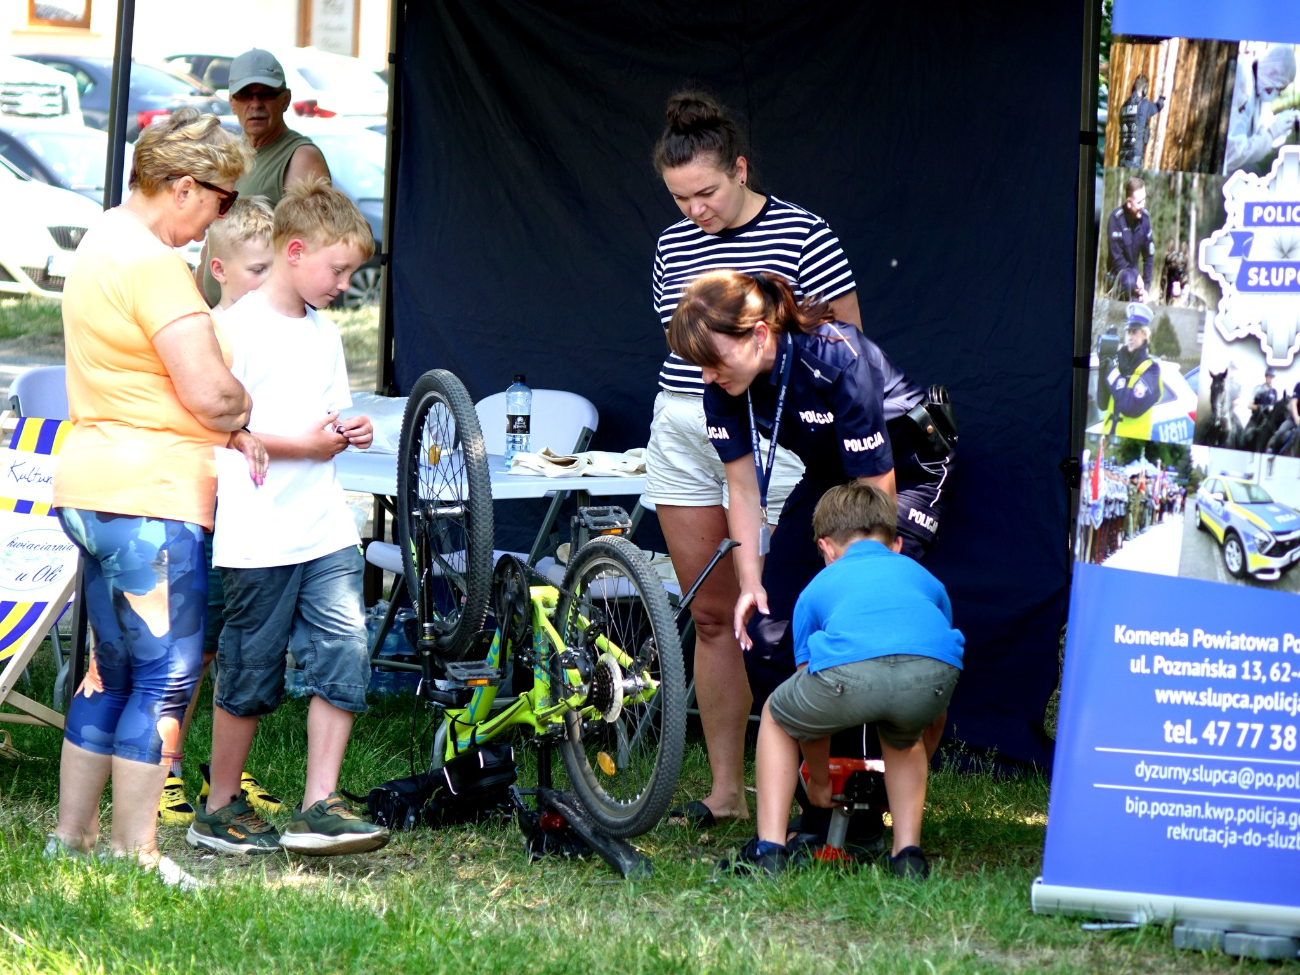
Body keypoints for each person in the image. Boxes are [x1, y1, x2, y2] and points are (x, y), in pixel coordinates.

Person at [48, 109, 265, 887]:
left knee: (108, 670)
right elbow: (209, 392)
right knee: (165, 677)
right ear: (183, 187)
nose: (223, 216)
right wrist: (241, 409)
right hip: (154, 497)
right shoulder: (153, 265)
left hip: (96, 483)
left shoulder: (102, 239)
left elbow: (144, 380)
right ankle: (136, 854)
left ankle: (70, 837)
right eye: (224, 199)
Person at [646, 91, 863, 827]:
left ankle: (810, 787)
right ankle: (725, 790)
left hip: (776, 430)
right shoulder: (672, 245)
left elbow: (847, 347)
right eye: (679, 198)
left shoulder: (805, 232)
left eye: (706, 191)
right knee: (712, 616)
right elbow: (683, 348)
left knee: (784, 613)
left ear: (740, 168)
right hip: (686, 420)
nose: (694, 211)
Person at [668, 271, 954, 796]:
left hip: (903, 473)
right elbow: (744, 489)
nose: (706, 378)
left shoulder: (835, 355)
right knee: (770, 631)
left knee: (865, 620)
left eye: (713, 361)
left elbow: (876, 481)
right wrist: (751, 581)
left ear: (758, 335)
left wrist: (859, 580)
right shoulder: (724, 384)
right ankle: (818, 787)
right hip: (829, 476)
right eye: (699, 366)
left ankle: (871, 797)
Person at [187, 178, 389, 857]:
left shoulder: (325, 332)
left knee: (344, 651)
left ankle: (319, 805)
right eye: (338, 269)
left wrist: (348, 426)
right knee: (248, 667)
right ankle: (216, 809)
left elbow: (327, 411)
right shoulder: (235, 328)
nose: (344, 283)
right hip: (259, 534)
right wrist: (302, 443)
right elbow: (214, 425)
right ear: (295, 251)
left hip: (326, 528)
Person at [717, 483, 962, 879]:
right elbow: (933, 656)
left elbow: (807, 715)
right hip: (933, 676)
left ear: (825, 549)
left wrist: (817, 781)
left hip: (846, 675)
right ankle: (907, 855)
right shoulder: (926, 580)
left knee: (779, 714)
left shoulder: (815, 590)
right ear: (896, 545)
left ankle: (770, 850)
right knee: (906, 736)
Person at [159, 196, 280, 826]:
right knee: (192, 650)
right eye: (256, 270)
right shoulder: (202, 333)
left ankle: (228, 770)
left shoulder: (283, 330)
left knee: (242, 648)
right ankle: (166, 768)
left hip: (256, 520)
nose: (268, 283)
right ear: (219, 268)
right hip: (203, 512)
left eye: (274, 270)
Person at [199, 48, 329, 306]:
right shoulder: (232, 154)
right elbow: (213, 236)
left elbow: (313, 250)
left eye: (266, 94)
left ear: (286, 99)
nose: (255, 104)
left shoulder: (300, 157)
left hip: (264, 323)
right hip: (221, 315)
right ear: (232, 101)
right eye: (245, 94)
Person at [1224, 44, 1300, 174]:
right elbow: (1232, 155)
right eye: (1278, 89)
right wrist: (1272, 133)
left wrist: (1284, 124)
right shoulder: (1243, 81)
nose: (1276, 94)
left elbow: (1265, 126)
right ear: (1272, 72)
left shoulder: (1259, 86)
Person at [1099, 302, 1161, 438]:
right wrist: (1102, 366)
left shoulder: (1152, 369)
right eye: (1128, 332)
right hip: (1106, 437)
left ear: (1144, 334)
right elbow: (1102, 404)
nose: (1130, 337)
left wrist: (1111, 374)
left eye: (1134, 332)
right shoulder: (1117, 360)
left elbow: (1129, 407)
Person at [1107, 177, 1154, 302]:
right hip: (1117, 276)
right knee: (1129, 281)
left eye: (1144, 200)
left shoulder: (1145, 219)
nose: (1143, 206)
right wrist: (1136, 276)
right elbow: (1117, 260)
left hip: (1135, 279)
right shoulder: (1115, 219)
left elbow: (1149, 256)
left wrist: (1146, 289)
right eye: (1139, 202)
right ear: (1129, 202)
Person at [1116, 75, 1165, 169]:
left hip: (1122, 155)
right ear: (1145, 89)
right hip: (1135, 156)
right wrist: (1162, 99)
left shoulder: (1124, 106)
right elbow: (1157, 107)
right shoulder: (1144, 104)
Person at [1268, 381, 1300, 454]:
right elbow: (1293, 403)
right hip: (1293, 420)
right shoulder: (1298, 386)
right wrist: (1296, 418)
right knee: (1281, 432)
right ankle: (1273, 454)